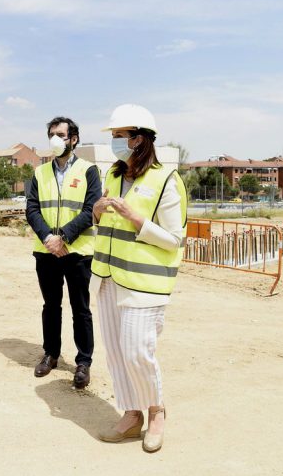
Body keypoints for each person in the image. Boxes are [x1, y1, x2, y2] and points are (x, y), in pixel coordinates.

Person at [91, 104, 187, 453]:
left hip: (145, 284)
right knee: (117, 353)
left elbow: (176, 239)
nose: (115, 142)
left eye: (120, 136)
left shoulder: (165, 180)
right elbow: (104, 226)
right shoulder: (113, 175)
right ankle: (132, 416)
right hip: (108, 277)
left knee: (136, 352)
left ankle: (156, 412)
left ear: (140, 138)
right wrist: (97, 214)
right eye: (114, 136)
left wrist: (137, 220)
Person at [26, 117, 102, 388]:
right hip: (46, 251)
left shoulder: (88, 170)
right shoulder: (39, 173)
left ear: (74, 138)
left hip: (78, 251)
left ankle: (83, 362)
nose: (55, 139)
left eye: (60, 134)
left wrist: (64, 237)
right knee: (51, 306)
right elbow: (32, 209)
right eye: (51, 134)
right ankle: (51, 354)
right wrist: (48, 237)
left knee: (81, 309)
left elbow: (90, 210)